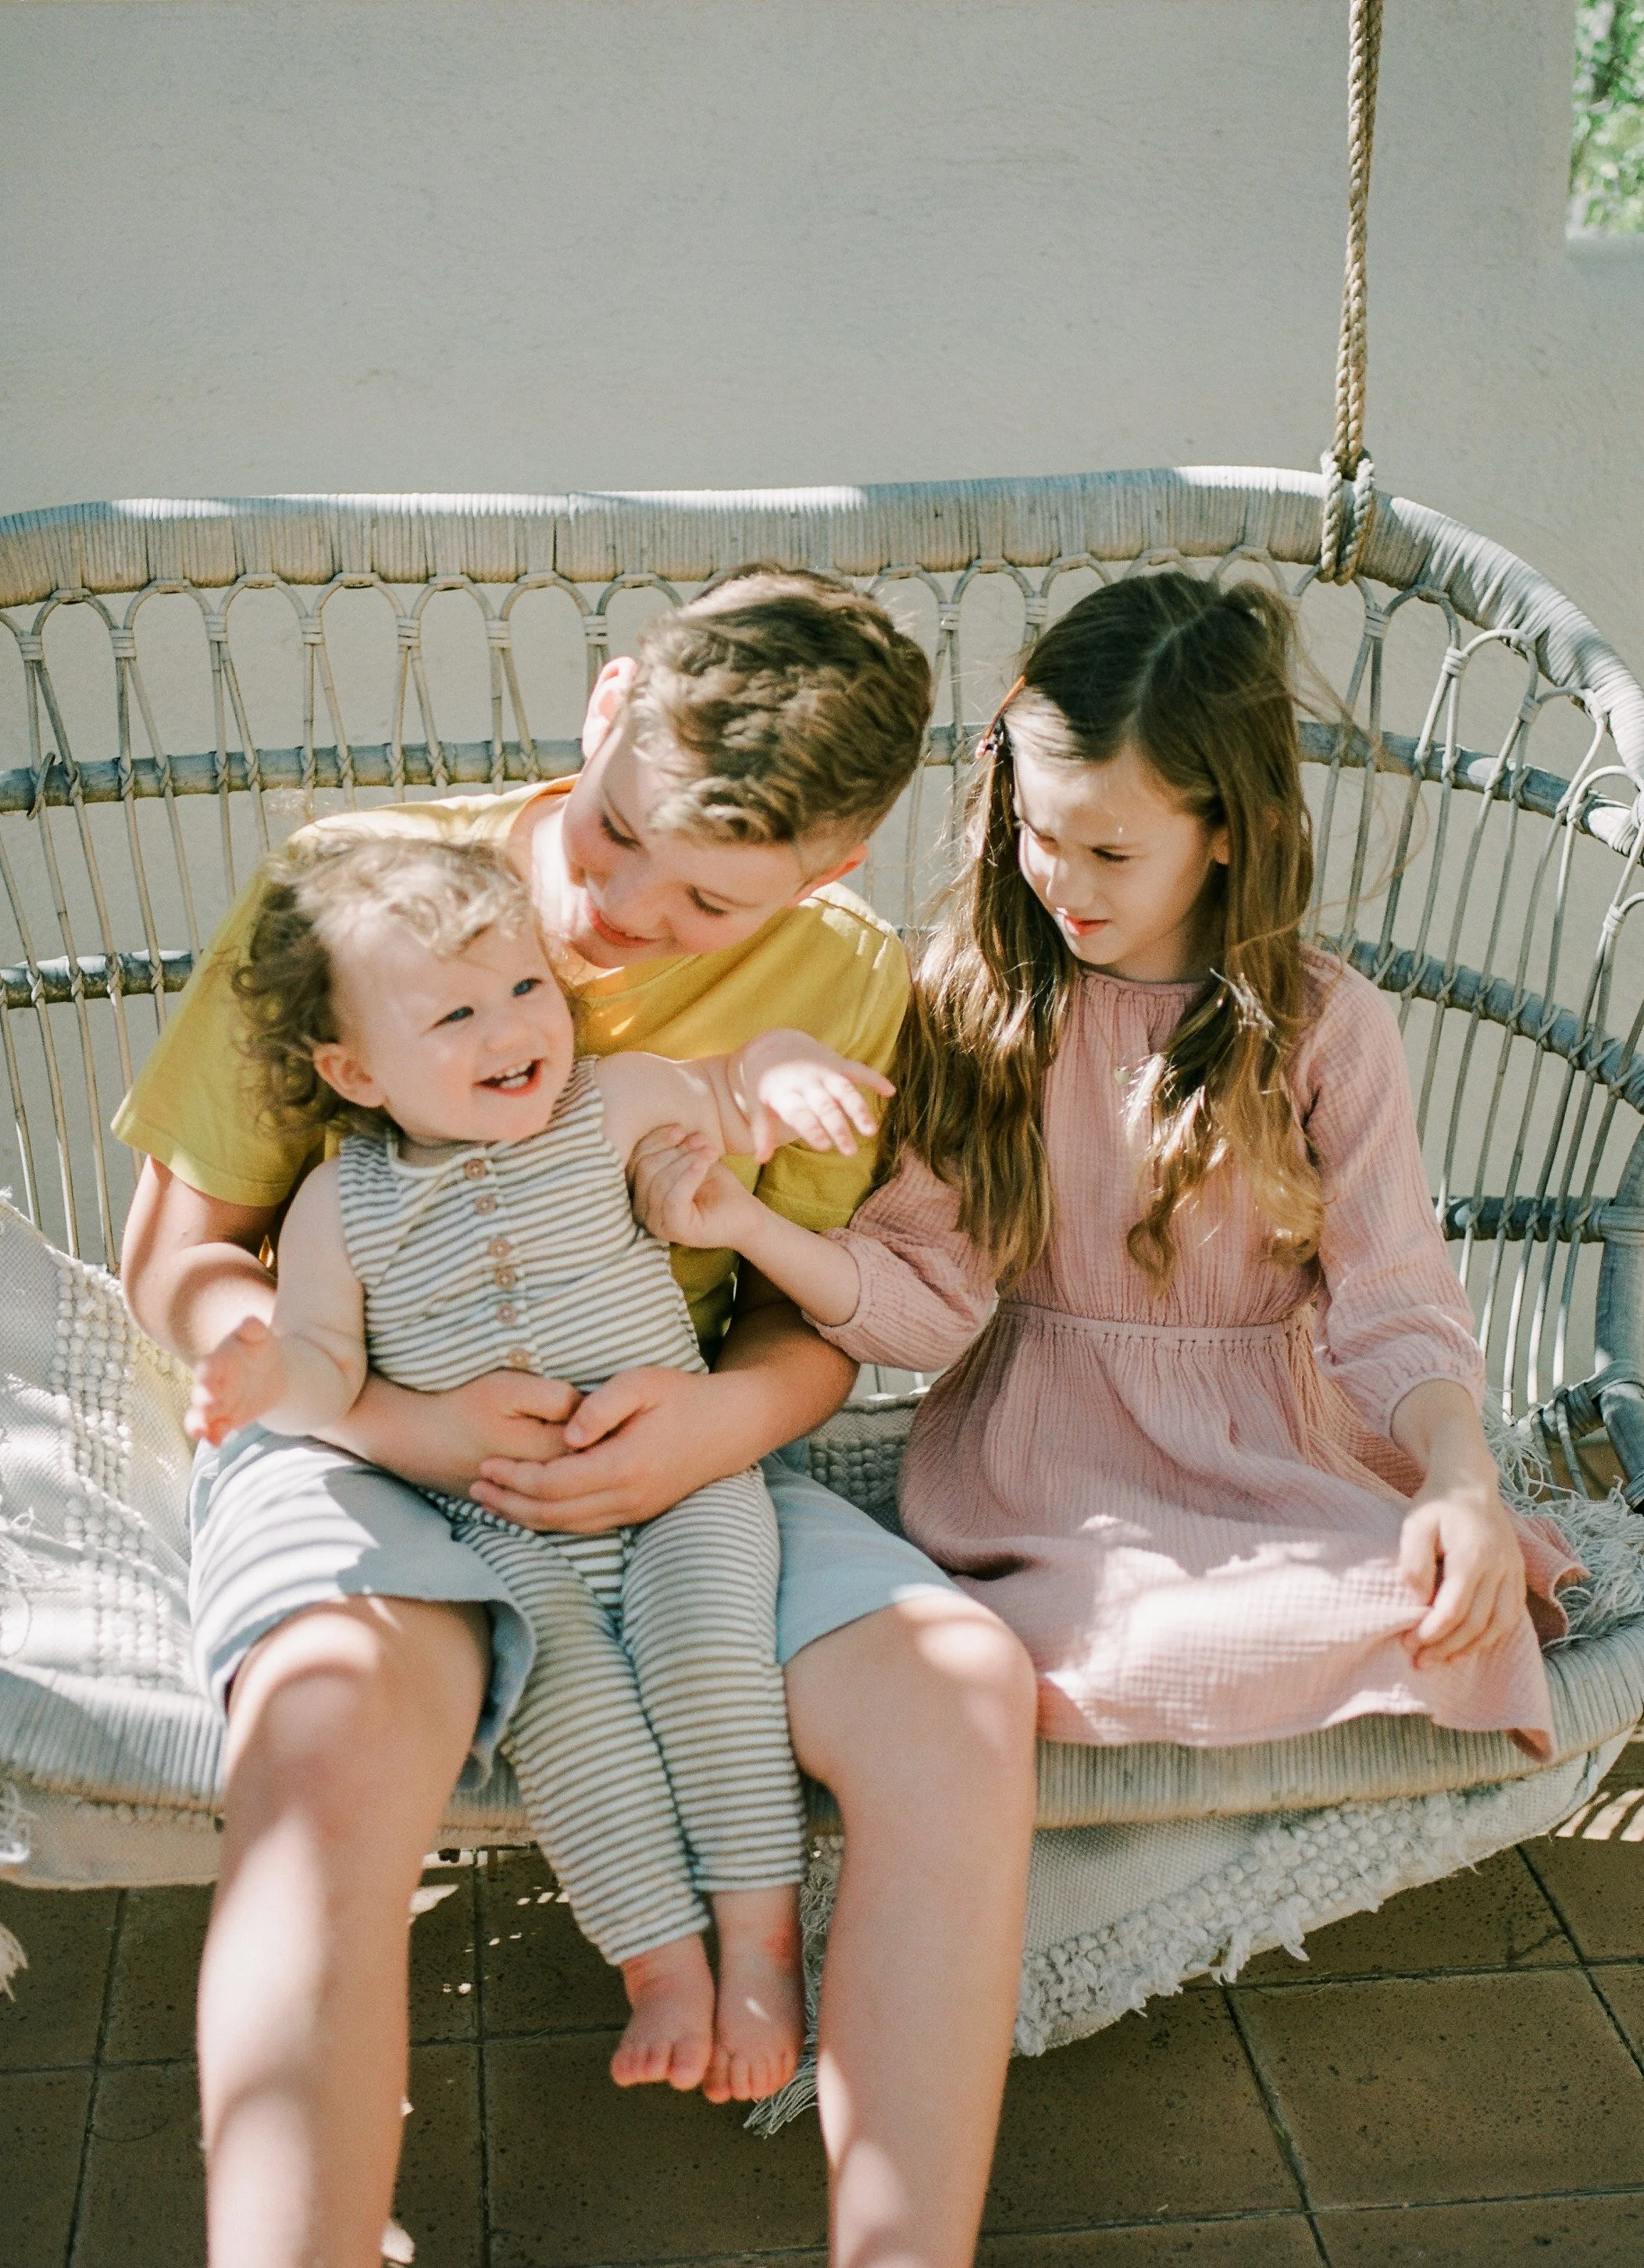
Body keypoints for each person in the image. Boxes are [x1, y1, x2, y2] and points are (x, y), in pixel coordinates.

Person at [116, 570, 1039, 2268]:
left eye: (701, 902)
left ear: (824, 873)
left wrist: (715, 1431)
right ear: (606, 702)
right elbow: (178, 1255)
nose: (616, 912)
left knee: (962, 1697)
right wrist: (400, 1421)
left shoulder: (835, 983)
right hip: (370, 1438)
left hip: (675, 1452)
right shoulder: (355, 906)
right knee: (324, 1732)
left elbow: (800, 1309)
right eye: (612, 834)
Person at [637, 571, 1582, 1763]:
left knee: (1428, 1607)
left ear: (1229, 829)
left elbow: (1394, 1296)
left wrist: (1458, 1472)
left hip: (1273, 1463)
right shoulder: (980, 1000)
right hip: (1043, 1478)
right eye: (1038, 833)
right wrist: (746, 1224)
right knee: (1060, 1652)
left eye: (1113, 851)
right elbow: (928, 1296)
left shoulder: (1324, 1025)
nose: (1064, 884)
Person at [186, 829, 895, 2101]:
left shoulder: (610, 1102)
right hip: (507, 1531)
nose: (513, 1026)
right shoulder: (338, 1210)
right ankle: (660, 1965)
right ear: (354, 1069)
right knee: (565, 1704)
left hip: (686, 1494)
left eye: (525, 989)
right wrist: (257, 1375)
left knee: (700, 1659)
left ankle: (760, 1948)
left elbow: (731, 1091)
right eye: (453, 1012)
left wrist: (782, 1073)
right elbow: (324, 1373)